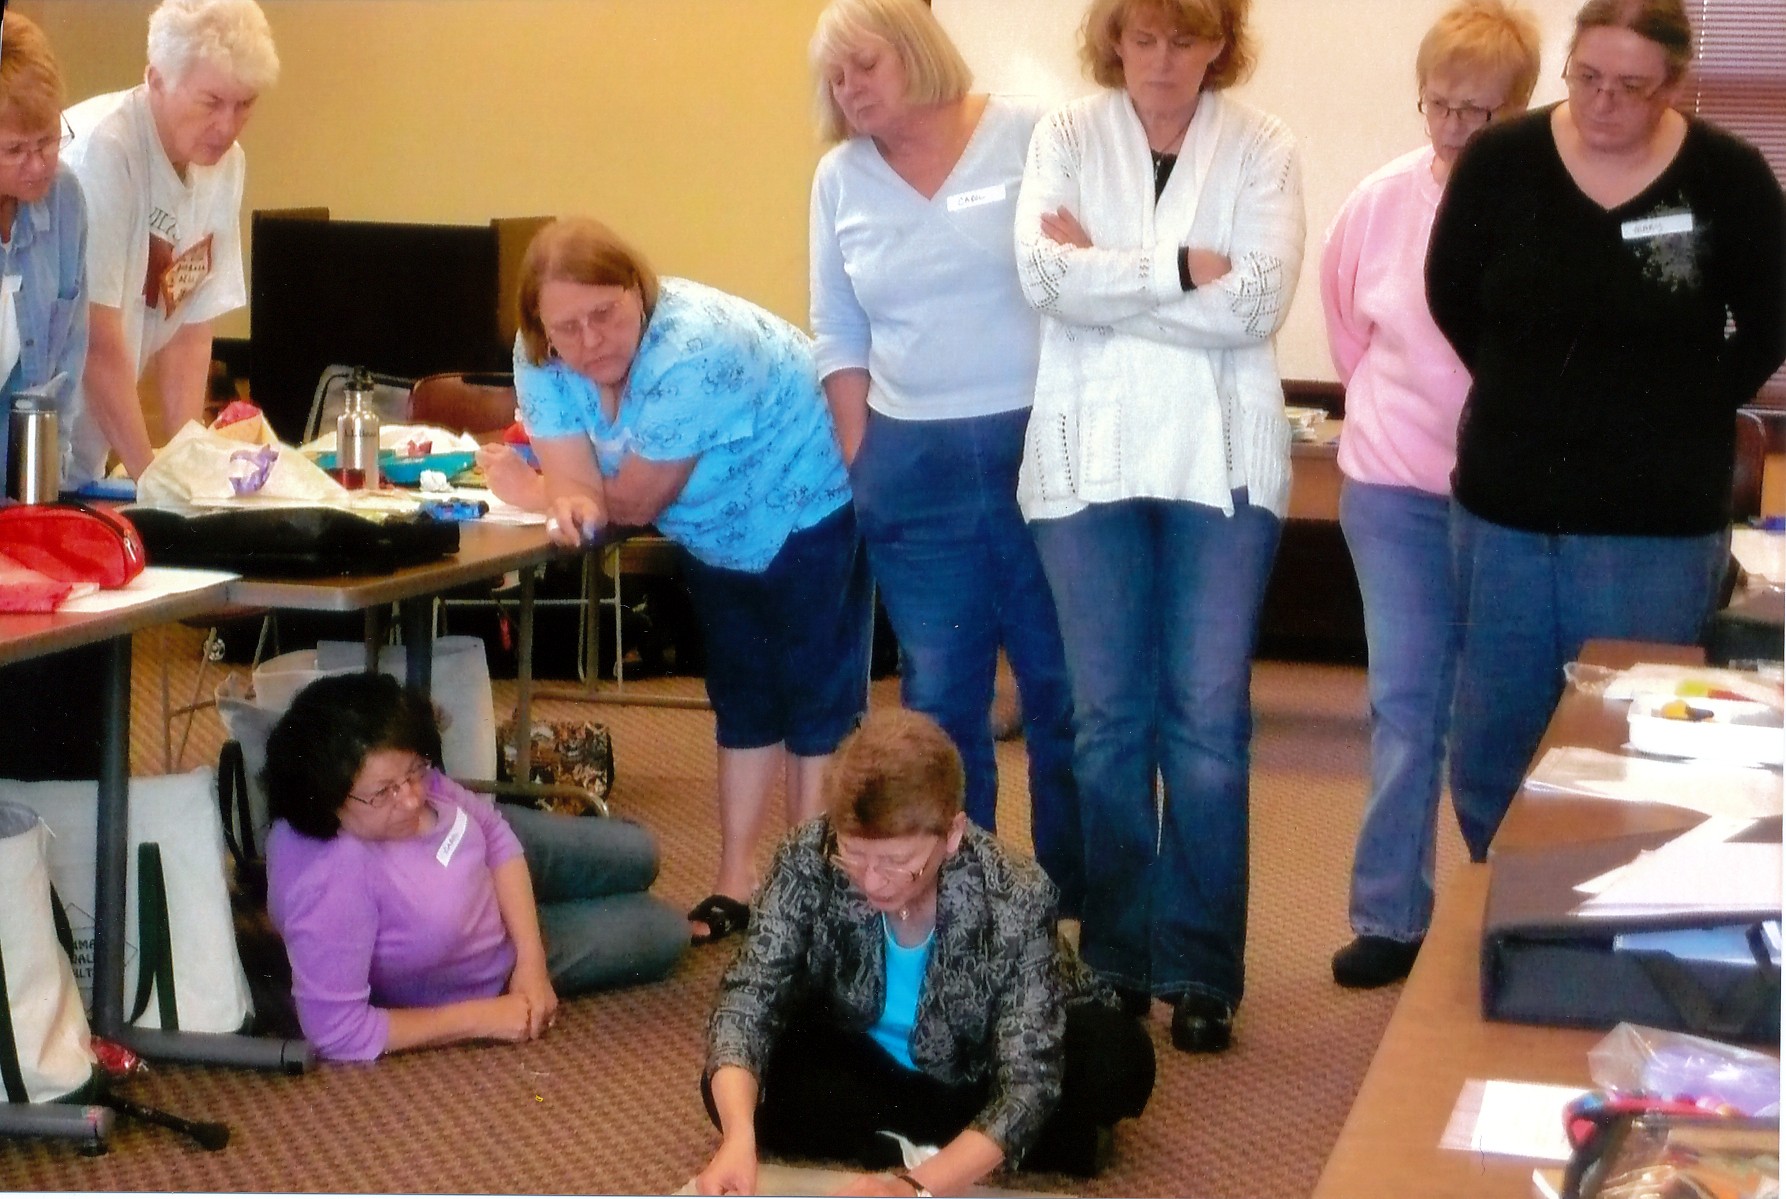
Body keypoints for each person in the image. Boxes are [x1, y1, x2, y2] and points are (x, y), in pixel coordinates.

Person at [1427, 0, 1786, 862]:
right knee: (1493, 750)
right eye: (1587, 77)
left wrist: (1688, 409)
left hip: (1653, 525)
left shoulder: (1727, 177)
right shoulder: (1503, 161)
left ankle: (1611, 925)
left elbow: (1771, 322)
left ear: (1674, 85)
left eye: (1632, 86)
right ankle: (1498, 919)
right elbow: (1451, 293)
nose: (1603, 101)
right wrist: (1525, 392)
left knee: (1632, 751)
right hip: (1507, 512)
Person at [1013, 0, 1304, 1054]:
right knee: (1106, 723)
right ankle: (1117, 958)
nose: (1163, 59)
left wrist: (1107, 270)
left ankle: (1200, 967)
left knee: (1207, 722)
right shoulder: (1065, 134)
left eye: (1186, 39)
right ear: (1115, 42)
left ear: (1219, 43)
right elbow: (1042, 277)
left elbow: (1257, 306)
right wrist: (1182, 265)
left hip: (1221, 468)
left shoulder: (1263, 146)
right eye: (1144, 38)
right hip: (1085, 464)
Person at [514, 216, 872, 946]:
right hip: (714, 529)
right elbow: (579, 491)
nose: (590, 341)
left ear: (637, 290)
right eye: (566, 329)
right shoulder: (536, 357)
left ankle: (803, 898)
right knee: (741, 698)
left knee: (815, 705)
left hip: (807, 499)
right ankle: (737, 882)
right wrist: (560, 493)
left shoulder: (696, 346)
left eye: (605, 314)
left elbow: (634, 502)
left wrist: (528, 489)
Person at [807, 0, 1083, 916]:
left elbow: (1084, 271)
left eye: (866, 65)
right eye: (836, 76)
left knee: (1064, 692)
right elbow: (837, 330)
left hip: (1042, 449)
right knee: (942, 705)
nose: (849, 89)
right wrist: (864, 458)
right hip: (911, 469)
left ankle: (1078, 907)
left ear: (918, 53)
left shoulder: (1032, 135)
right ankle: (970, 914)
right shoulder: (839, 178)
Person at [697, 708, 1153, 1197]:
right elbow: (749, 999)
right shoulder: (805, 856)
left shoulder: (1014, 891)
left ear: (952, 834)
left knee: (1111, 1058)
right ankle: (1006, 1143)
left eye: (897, 861)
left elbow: (1028, 1076)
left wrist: (913, 1188)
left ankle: (907, 1143)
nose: (873, 881)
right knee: (732, 1082)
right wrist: (738, 1137)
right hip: (868, 1052)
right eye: (855, 856)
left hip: (984, 1058)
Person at [1317, 0, 1541, 990]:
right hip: (1394, 491)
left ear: (1520, 108)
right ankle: (1389, 914)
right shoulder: (1378, 202)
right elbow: (1347, 334)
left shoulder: (1543, 201)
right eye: (1438, 104)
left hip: (1510, 499)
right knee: (1406, 706)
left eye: (1476, 111)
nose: (1452, 127)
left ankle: (1518, 917)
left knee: (1506, 714)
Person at [263, 672, 686, 1062]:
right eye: (384, 793)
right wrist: (483, 1017)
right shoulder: (329, 879)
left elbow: (496, 834)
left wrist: (533, 959)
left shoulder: (399, 777)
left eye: (415, 772)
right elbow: (336, 1032)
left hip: (495, 859)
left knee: (641, 851)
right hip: (485, 963)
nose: (412, 799)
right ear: (328, 799)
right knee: (668, 931)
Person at [62, 0, 278, 482]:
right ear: (156, 79)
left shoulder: (225, 164)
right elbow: (96, 341)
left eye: (245, 104)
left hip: (87, 451)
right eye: (211, 102)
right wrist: (152, 478)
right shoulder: (106, 150)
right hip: (29, 439)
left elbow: (189, 326)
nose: (228, 126)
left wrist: (186, 465)